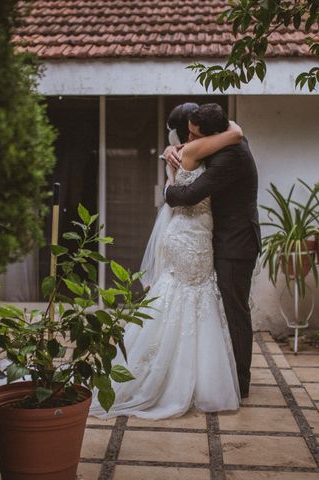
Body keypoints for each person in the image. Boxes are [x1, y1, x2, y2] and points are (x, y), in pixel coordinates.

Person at [89, 103, 244, 419]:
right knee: (190, 296)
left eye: (194, 132)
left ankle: (182, 371)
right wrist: (230, 130)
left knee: (184, 297)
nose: (189, 137)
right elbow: (237, 134)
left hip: (188, 233)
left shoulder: (181, 150)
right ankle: (183, 376)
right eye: (187, 131)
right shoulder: (195, 149)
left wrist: (171, 146)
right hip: (191, 235)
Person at [164, 103, 261, 399]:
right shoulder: (228, 138)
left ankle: (241, 384)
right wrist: (174, 151)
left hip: (236, 244)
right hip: (225, 240)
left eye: (194, 134)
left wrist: (166, 190)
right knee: (225, 310)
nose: (190, 140)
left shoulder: (230, 156)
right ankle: (227, 373)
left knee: (235, 312)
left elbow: (190, 194)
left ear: (213, 133)